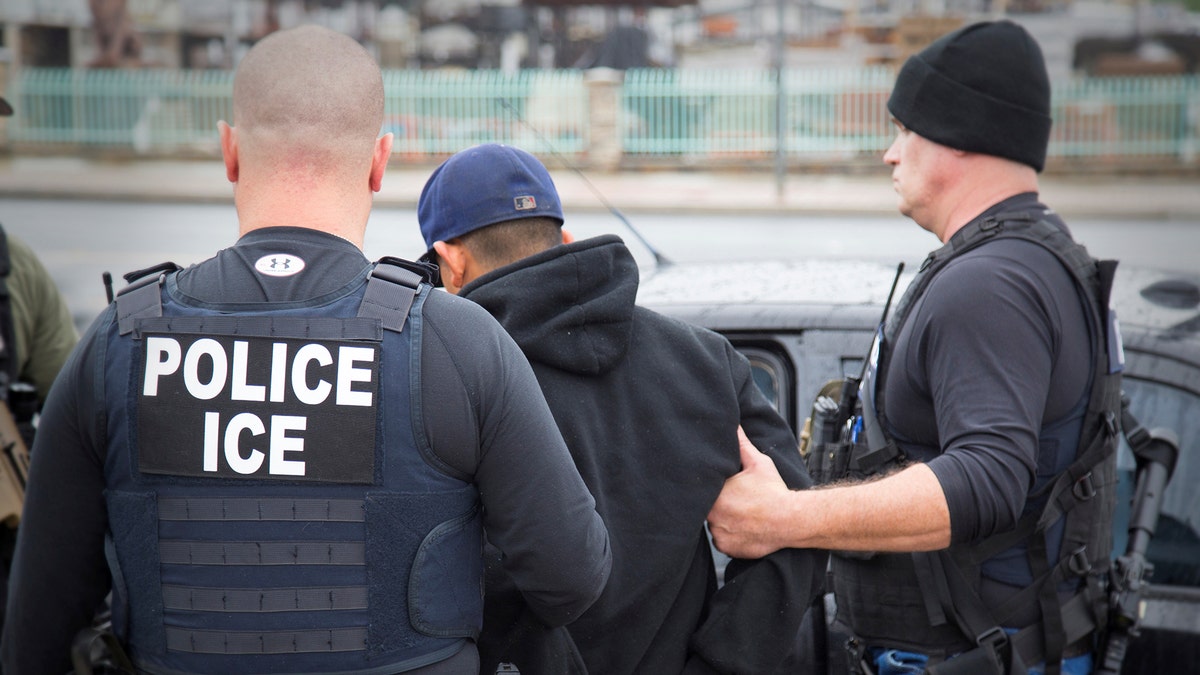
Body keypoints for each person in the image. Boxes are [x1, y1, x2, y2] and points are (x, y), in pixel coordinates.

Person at [1, 26, 610, 675]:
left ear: (229, 152)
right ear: (380, 161)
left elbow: (38, 625)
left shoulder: (116, 343)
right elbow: (570, 577)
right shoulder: (457, 342)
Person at [707, 21, 1123, 675]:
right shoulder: (1030, 258)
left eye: (904, 130)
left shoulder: (990, 285)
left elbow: (988, 478)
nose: (889, 154)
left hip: (972, 657)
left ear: (962, 136)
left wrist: (785, 516)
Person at [417, 142, 827, 674]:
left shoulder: (447, 377)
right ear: (564, 240)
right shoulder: (704, 360)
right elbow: (798, 531)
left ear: (451, 263)